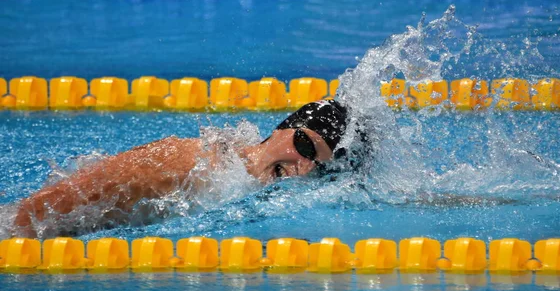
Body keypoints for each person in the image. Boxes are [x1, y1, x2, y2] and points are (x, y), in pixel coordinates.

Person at [12, 100, 350, 238]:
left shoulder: (256, 192)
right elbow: (39, 210)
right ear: (281, 128)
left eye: (318, 166)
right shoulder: (188, 162)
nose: (303, 169)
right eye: (305, 146)